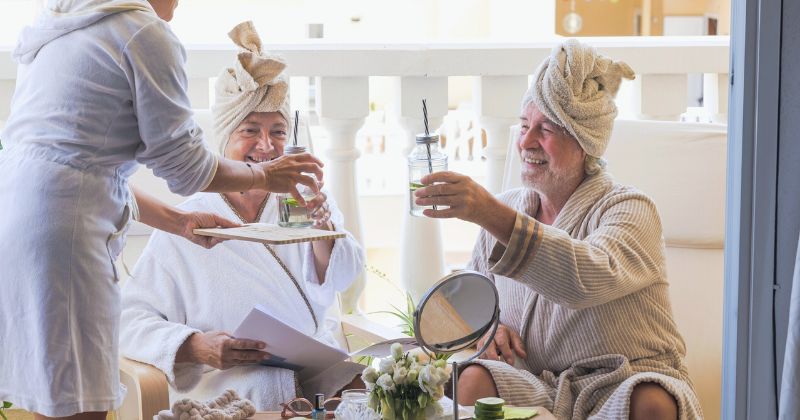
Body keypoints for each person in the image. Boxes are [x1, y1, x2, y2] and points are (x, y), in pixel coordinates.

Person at [0, 2, 323, 419]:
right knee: (77, 405)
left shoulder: (67, 24)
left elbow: (81, 167)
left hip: (19, 217)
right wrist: (265, 175)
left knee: (54, 396)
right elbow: (185, 167)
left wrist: (179, 221)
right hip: (63, 235)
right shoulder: (141, 31)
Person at [413, 39, 703, 420]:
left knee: (651, 402)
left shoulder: (631, 209)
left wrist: (487, 212)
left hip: (625, 381)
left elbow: (582, 279)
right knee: (472, 382)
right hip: (542, 386)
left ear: (585, 144)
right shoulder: (509, 208)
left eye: (546, 129)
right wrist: (488, 329)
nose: (525, 141)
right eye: (524, 126)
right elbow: (470, 302)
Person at [118, 21, 366, 410]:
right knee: (269, 384)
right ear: (224, 140)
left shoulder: (307, 203)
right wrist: (195, 346)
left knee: (362, 386)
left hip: (314, 368)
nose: (266, 146)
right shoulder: (187, 223)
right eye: (250, 130)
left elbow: (344, 276)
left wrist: (323, 230)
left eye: (278, 132)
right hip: (227, 379)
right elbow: (128, 319)